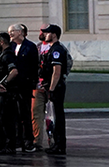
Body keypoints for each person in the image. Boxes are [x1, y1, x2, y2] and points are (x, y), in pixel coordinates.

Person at [0, 23, 39, 154]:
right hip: (12, 87)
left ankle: (28, 141)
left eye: (13, 31)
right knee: (13, 114)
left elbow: (33, 67)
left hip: (24, 86)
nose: (10, 34)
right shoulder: (11, 47)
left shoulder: (30, 47)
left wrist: (31, 82)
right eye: (9, 31)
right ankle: (16, 139)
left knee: (25, 114)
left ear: (20, 32)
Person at [39, 24, 70, 156]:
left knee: (57, 116)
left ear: (54, 34)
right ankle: (56, 144)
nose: (45, 35)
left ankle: (59, 145)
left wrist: (51, 89)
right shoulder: (52, 49)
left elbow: (56, 72)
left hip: (56, 87)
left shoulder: (57, 49)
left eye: (48, 33)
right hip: (52, 86)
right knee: (54, 116)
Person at [0, 32, 18, 155]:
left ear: (2, 42)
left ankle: (9, 145)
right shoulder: (3, 55)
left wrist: (4, 84)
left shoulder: (7, 55)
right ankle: (2, 144)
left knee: (6, 120)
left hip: (7, 94)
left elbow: (14, 71)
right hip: (3, 94)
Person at [33, 24, 52, 149]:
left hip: (51, 87)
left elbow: (66, 64)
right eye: (41, 31)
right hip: (37, 86)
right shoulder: (37, 48)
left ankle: (53, 141)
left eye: (45, 31)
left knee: (51, 116)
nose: (42, 33)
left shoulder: (56, 48)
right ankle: (37, 141)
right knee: (36, 114)